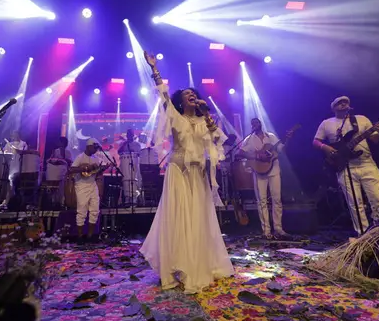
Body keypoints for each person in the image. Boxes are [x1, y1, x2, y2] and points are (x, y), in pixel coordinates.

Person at [140, 51, 234, 294]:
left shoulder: (204, 121)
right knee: (179, 217)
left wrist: (206, 113)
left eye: (194, 94)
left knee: (198, 218)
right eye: (186, 95)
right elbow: (162, 95)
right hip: (178, 172)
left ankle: (198, 262)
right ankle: (177, 266)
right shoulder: (175, 116)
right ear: (180, 102)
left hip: (198, 175)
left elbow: (216, 138)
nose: (191, 96)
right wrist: (154, 69)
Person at [313, 96, 379, 235]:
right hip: (344, 167)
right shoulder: (327, 123)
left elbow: (375, 138)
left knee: (378, 199)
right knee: (355, 203)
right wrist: (326, 147)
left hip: (366, 163)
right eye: (339, 103)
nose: (343, 104)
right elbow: (316, 141)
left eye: (345, 102)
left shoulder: (362, 119)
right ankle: (363, 235)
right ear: (333, 108)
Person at [240, 118, 289, 239]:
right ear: (251, 126)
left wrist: (288, 139)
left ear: (261, 124)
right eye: (253, 123)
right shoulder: (249, 139)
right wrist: (256, 155)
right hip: (258, 171)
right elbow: (240, 153)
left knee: (277, 200)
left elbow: (281, 150)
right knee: (262, 201)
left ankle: (278, 228)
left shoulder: (271, 136)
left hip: (274, 170)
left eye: (257, 122)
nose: (255, 124)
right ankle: (266, 230)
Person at [70, 138, 107, 242]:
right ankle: (80, 236)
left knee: (95, 210)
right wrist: (84, 169)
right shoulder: (80, 157)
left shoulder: (96, 159)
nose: (95, 150)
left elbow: (96, 173)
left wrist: (101, 170)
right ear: (88, 146)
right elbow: (71, 169)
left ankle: (90, 236)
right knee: (82, 211)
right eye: (94, 148)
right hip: (81, 185)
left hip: (92, 184)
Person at [0, 131, 28, 207]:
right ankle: (6, 201)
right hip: (9, 167)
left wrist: (14, 148)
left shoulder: (23, 144)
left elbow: (22, 152)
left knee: (15, 184)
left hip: (19, 167)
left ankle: (13, 201)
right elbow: (4, 153)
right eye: (12, 135)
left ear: (18, 135)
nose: (13, 136)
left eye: (14, 134)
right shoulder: (8, 144)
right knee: (9, 183)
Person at [46, 136, 73, 207]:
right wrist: (56, 160)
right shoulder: (55, 151)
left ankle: (61, 203)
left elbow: (70, 161)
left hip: (64, 172)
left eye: (62, 142)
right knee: (54, 187)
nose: (60, 143)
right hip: (54, 172)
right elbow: (50, 159)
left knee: (62, 188)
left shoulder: (68, 152)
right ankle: (53, 202)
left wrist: (63, 159)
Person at [117, 128, 142, 205]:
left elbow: (139, 154)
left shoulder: (137, 144)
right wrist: (125, 143)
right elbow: (119, 152)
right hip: (125, 165)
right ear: (127, 135)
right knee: (126, 179)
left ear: (133, 135)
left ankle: (134, 197)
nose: (129, 136)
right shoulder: (123, 144)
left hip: (134, 164)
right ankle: (127, 198)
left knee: (134, 179)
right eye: (128, 134)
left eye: (131, 134)